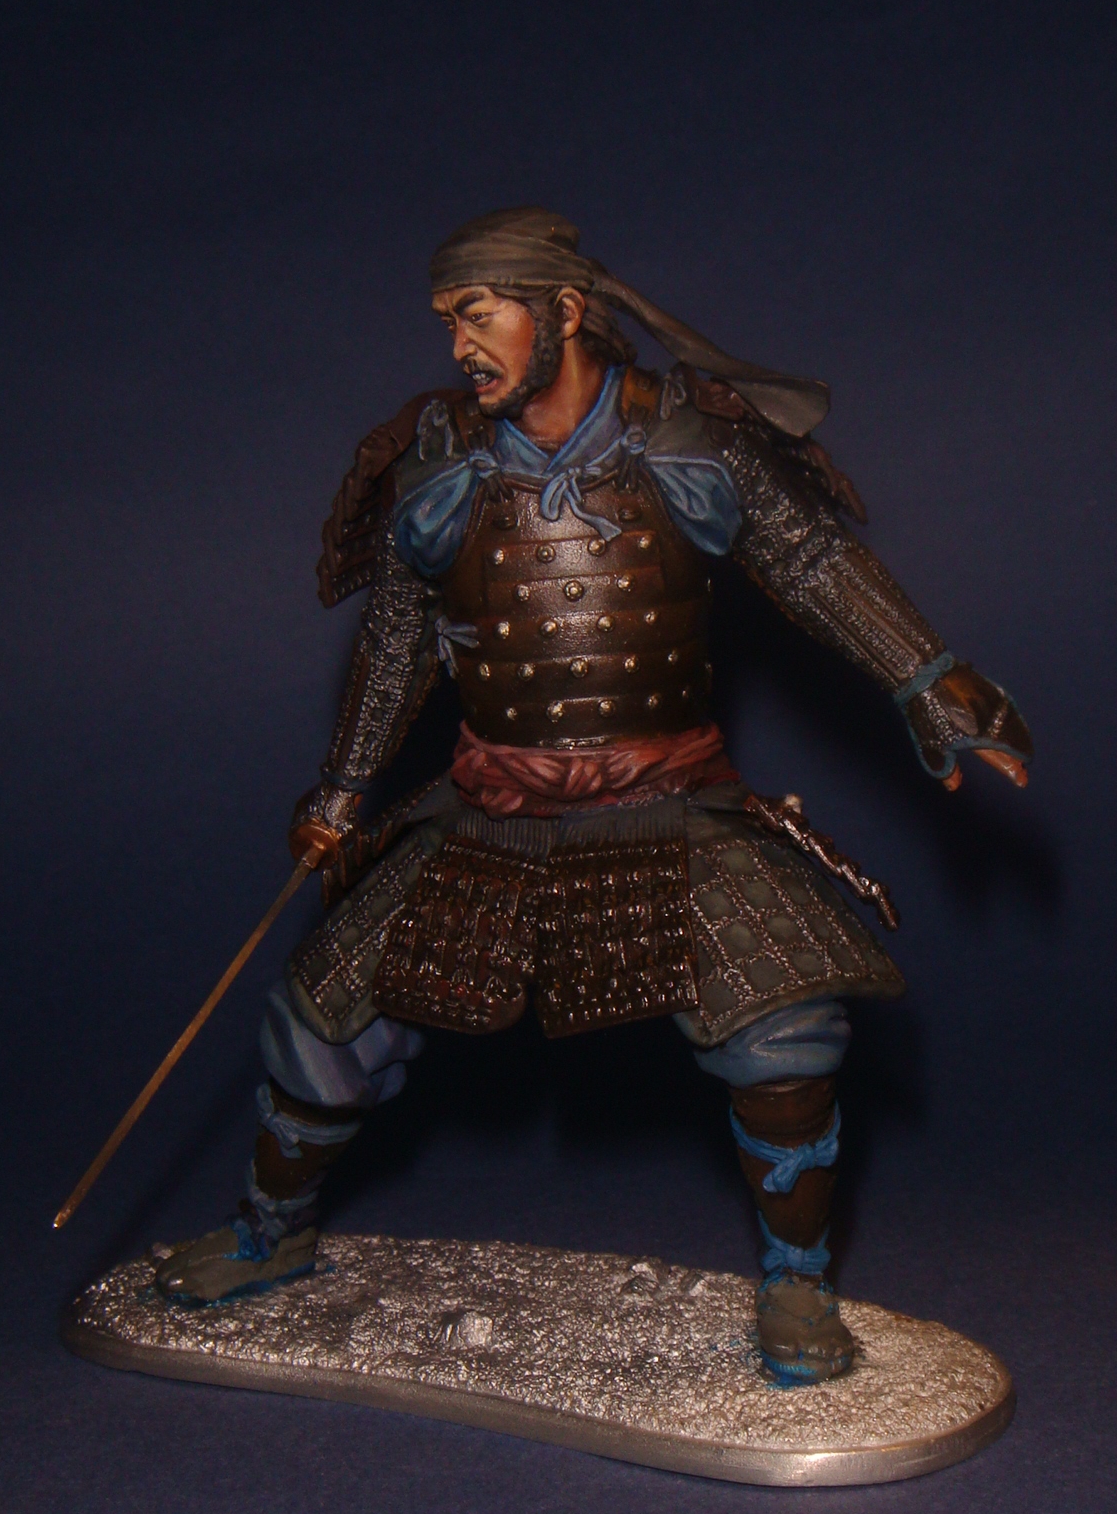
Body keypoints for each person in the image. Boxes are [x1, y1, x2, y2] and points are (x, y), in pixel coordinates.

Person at [155, 207, 1031, 1386]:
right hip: (493, 805)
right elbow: (399, 638)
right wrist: (345, 787)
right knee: (323, 1023)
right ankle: (271, 1232)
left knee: (786, 1030)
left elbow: (809, 557)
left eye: (478, 312)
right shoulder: (437, 458)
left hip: (669, 797)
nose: (459, 343)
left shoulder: (689, 438)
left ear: (561, 309)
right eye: (448, 319)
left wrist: (928, 676)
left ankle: (796, 1283)